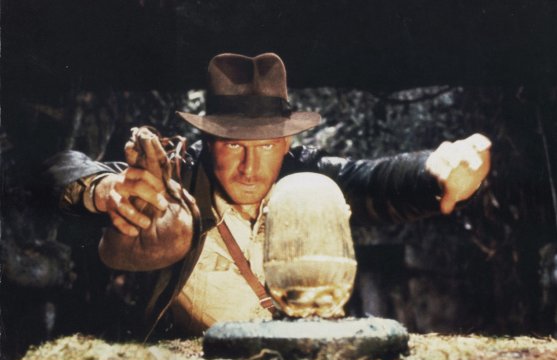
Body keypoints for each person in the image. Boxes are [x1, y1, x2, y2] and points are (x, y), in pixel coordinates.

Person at [46, 53, 491, 336]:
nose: (249, 168)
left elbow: (372, 181)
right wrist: (103, 190)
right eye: (234, 145)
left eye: (265, 147)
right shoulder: (173, 180)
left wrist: (434, 172)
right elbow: (56, 167)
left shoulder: (306, 176)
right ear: (209, 141)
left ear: (285, 143)